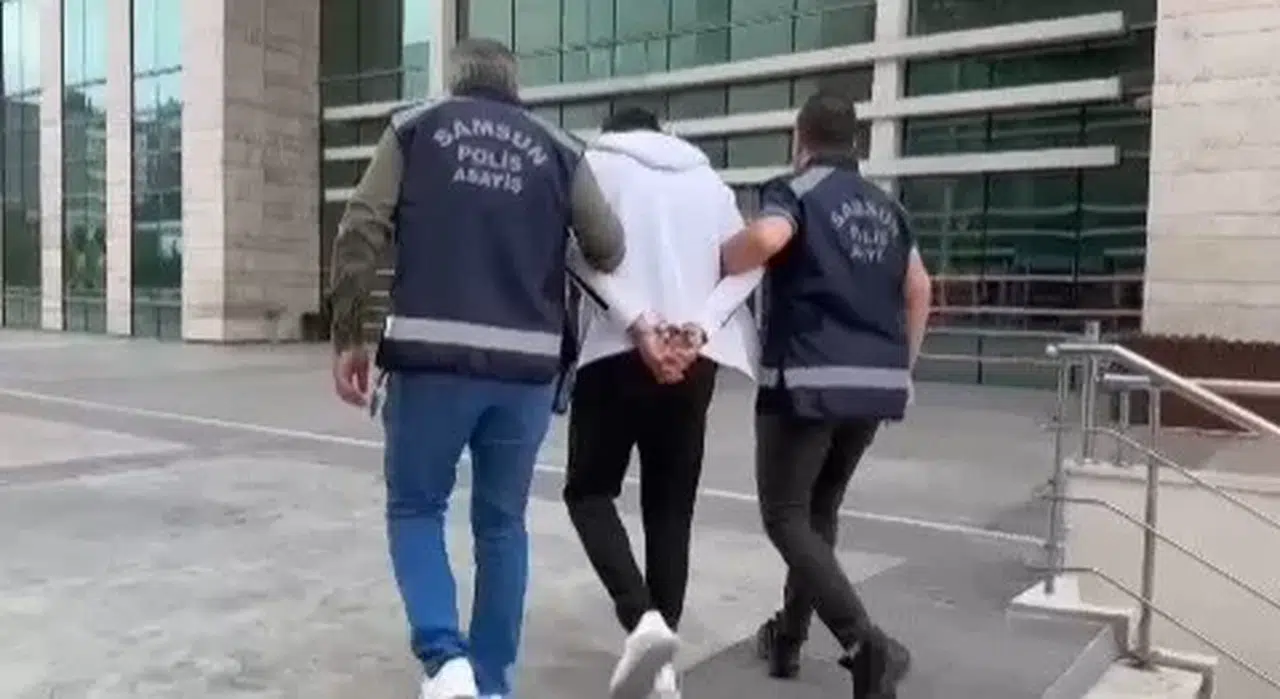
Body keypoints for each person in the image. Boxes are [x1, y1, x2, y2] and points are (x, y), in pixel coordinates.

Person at [327, 39, 626, 699]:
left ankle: (445, 660)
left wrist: (349, 334)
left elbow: (359, 229)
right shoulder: (559, 148)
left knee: (416, 506)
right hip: (526, 368)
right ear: (514, 85)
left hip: (430, 359)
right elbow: (607, 245)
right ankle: (490, 682)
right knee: (502, 523)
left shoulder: (414, 129)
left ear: (454, 80)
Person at [719, 90, 933, 699]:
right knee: (818, 515)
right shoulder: (887, 207)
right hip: (874, 385)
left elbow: (766, 240)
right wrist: (903, 370)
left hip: (808, 380)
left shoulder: (796, 191)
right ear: (856, 142)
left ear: (800, 139)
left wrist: (723, 258)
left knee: (784, 516)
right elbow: (920, 287)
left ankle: (865, 644)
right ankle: (787, 640)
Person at [563, 107, 762, 699]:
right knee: (670, 509)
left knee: (589, 492)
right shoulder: (707, 179)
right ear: (662, 131)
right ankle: (663, 669)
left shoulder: (593, 167)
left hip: (615, 352)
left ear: (610, 132)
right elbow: (747, 264)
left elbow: (574, 252)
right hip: (693, 360)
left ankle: (642, 618)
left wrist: (639, 322)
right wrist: (699, 329)